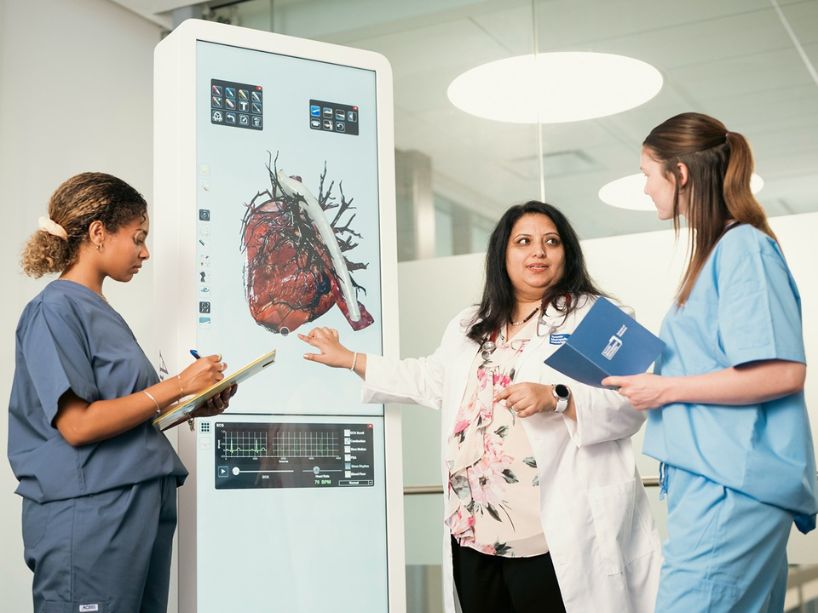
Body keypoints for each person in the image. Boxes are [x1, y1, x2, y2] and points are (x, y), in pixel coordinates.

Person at [299, 201, 661, 613]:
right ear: (502, 255)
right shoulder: (471, 324)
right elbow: (430, 379)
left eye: (551, 242)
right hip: (472, 529)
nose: (538, 252)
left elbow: (631, 402)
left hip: (551, 533)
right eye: (523, 241)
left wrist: (558, 398)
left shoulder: (596, 317)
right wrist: (350, 358)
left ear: (568, 253)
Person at [603, 112, 818, 612]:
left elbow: (783, 372)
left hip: (732, 486)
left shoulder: (744, 248)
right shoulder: (721, 252)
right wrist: (658, 383)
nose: (645, 190)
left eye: (647, 175)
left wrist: (666, 389)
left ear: (679, 175)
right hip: (721, 481)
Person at [8, 172, 237, 613]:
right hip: (91, 516)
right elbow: (77, 425)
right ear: (98, 233)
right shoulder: (52, 310)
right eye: (138, 238)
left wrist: (190, 405)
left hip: (138, 508)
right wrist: (178, 384)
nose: (145, 252)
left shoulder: (101, 312)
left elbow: (128, 414)